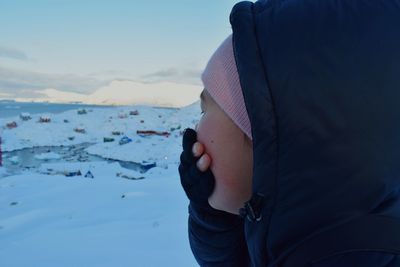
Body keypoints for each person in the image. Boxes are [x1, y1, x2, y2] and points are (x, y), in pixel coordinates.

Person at [179, 0, 400, 266]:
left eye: (205, 110)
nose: (196, 129)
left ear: (265, 135)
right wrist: (212, 216)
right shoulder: (318, 243)